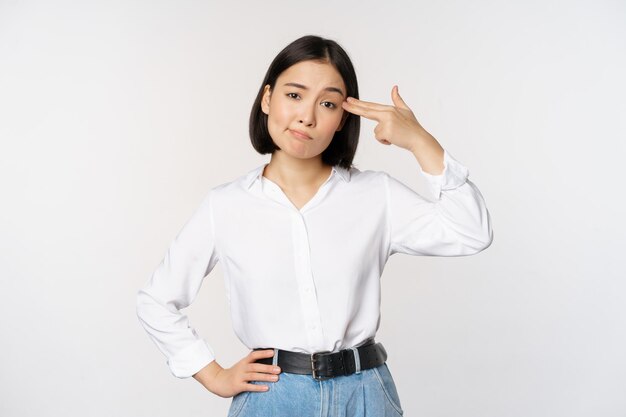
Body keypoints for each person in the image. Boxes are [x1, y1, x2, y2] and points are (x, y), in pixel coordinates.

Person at [136, 34, 493, 417]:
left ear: (342, 119)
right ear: (267, 98)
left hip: (366, 395)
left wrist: (421, 142)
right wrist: (212, 374)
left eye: (327, 103)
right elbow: (156, 300)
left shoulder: (375, 195)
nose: (307, 116)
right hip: (274, 397)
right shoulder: (225, 205)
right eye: (294, 95)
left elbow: (471, 231)